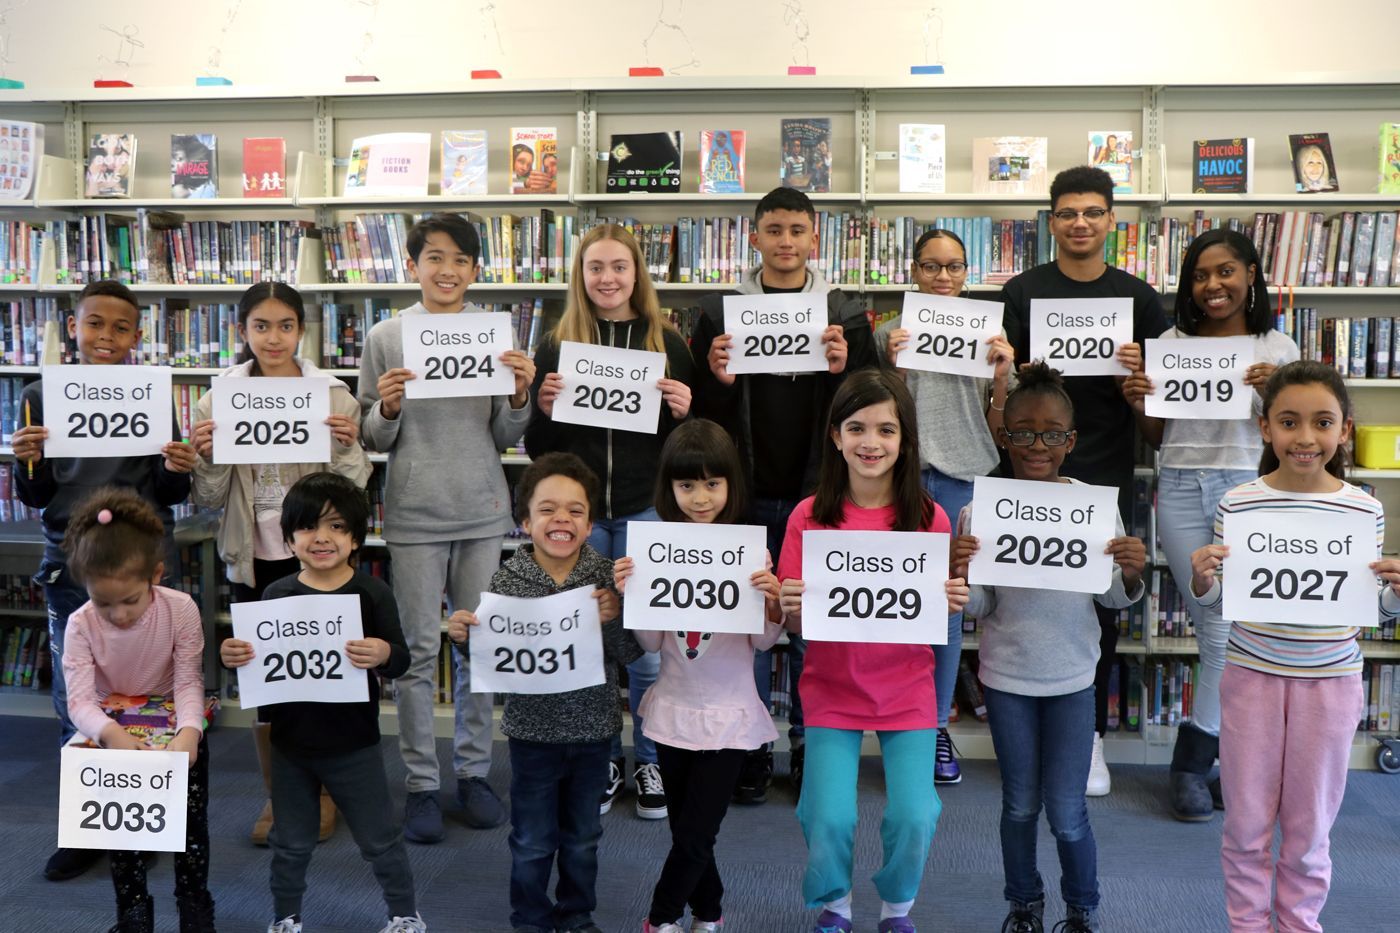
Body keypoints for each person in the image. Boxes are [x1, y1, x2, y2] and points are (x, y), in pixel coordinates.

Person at [1189, 361, 1400, 932]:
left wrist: (1395, 595)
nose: (1305, 438)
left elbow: (1371, 613)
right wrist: (1204, 583)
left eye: (1322, 423)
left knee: (1310, 832)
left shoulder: (1364, 508)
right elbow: (1220, 604)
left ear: (1344, 431)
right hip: (1251, 681)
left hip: (1330, 687)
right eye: (1289, 422)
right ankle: (1247, 926)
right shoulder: (1239, 503)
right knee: (1245, 827)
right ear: (1265, 429)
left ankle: (1300, 925)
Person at [690, 185, 877, 804]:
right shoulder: (720, 312)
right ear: (754, 235)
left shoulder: (843, 310)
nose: (786, 241)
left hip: (815, 495)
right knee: (744, 626)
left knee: (807, 628)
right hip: (743, 495)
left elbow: (870, 401)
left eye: (797, 229)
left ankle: (803, 747)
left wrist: (845, 367)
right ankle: (747, 747)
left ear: (814, 237)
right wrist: (716, 379)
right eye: (774, 229)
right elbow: (699, 415)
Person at [358, 212, 536, 843]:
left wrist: (519, 397)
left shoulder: (494, 333)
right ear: (413, 265)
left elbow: (506, 437)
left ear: (475, 270)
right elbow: (369, 435)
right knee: (415, 653)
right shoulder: (387, 336)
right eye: (434, 257)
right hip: (413, 513)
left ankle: (474, 773)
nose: (447, 270)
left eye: (460, 259)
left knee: (478, 651)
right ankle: (422, 786)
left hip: (484, 510)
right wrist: (386, 407)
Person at [952, 363, 1146, 933]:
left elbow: (1113, 599)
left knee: (1067, 812)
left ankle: (1081, 910)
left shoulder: (1095, 507)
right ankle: (1024, 905)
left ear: (1071, 441)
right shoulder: (978, 511)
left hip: (1071, 680)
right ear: (1003, 436)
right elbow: (979, 607)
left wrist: (1132, 574)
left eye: (1053, 434)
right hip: (1007, 680)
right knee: (1018, 805)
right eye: (1024, 433)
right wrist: (958, 575)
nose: (1038, 445)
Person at [12, 279, 196, 882]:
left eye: (120, 328)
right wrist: (25, 461)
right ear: (73, 328)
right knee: (77, 699)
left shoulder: (150, 393)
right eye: (94, 324)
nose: (106, 337)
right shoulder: (40, 395)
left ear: (137, 337)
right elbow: (37, 494)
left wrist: (178, 470)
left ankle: (149, 815)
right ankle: (83, 825)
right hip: (71, 561)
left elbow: (168, 490)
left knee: (153, 694)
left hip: (141, 559)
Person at [776, 368, 969, 933]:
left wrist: (952, 600)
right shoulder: (807, 516)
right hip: (832, 687)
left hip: (906, 688)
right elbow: (789, 616)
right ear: (835, 436)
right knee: (827, 815)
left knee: (916, 813)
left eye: (886, 430)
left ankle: (896, 910)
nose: (871, 442)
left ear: (905, 440)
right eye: (856, 427)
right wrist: (785, 600)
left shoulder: (928, 518)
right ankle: (835, 906)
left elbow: (935, 608)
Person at [998, 165, 1169, 796]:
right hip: (1027, 469)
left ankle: (1088, 739)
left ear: (1111, 221)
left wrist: (1138, 384)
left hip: (1102, 473)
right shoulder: (1021, 292)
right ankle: (1020, 730)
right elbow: (1002, 391)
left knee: (1100, 610)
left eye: (1092, 212)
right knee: (1018, 602)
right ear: (1051, 220)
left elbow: (1159, 418)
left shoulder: (1141, 299)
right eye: (1067, 212)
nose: (1079, 223)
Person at [1118, 229, 1299, 821]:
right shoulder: (1173, 341)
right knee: (1213, 620)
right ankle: (1225, 760)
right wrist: (1139, 400)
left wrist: (1273, 394)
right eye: (1199, 275)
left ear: (1250, 274)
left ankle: (1194, 762)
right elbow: (1158, 437)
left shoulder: (1278, 345)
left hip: (1249, 489)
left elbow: (1296, 438)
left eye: (1224, 272)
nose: (1212, 286)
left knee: (1227, 629)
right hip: (1179, 487)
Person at [191, 282, 373, 845]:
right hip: (256, 560)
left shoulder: (333, 394)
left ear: (302, 330)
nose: (274, 337)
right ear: (241, 331)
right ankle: (280, 796)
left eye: (286, 325)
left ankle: (324, 793)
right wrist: (207, 456)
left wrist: (345, 446)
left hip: (321, 562)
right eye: (261, 326)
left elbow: (355, 490)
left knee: (326, 676)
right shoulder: (217, 399)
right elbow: (209, 498)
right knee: (270, 682)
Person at [525, 222, 695, 820]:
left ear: (636, 274)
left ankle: (649, 757)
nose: (607, 279)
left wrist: (683, 411)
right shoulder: (557, 344)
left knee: (647, 649)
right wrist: (541, 410)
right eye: (596, 267)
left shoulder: (667, 342)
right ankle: (599, 759)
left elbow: (689, 450)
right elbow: (537, 451)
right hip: (583, 513)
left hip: (648, 509)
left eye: (618, 267)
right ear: (581, 275)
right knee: (588, 642)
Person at [220, 472, 425, 933]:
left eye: (336, 527)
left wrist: (384, 653)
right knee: (290, 842)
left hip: (356, 744)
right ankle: (286, 918)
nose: (322, 538)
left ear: (356, 538)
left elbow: (402, 660)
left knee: (380, 840)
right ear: (289, 539)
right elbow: (258, 669)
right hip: (291, 745)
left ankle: (404, 914)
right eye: (308, 527)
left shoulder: (372, 592)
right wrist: (234, 657)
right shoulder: (276, 594)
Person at [446, 452, 638, 933]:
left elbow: (630, 655)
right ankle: (529, 918)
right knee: (531, 839)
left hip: (594, 734)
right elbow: (494, 664)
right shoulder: (506, 581)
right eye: (548, 509)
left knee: (584, 838)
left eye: (575, 511)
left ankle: (576, 915)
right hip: (532, 736)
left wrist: (613, 619)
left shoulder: (606, 577)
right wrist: (466, 643)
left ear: (591, 523)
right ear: (526, 521)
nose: (562, 520)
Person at [613, 420, 784, 933]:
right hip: (672, 711)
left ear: (731, 486)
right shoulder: (655, 548)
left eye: (712, 484)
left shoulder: (749, 550)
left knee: (697, 832)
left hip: (730, 716)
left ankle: (660, 918)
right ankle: (708, 913)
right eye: (686, 485)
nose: (700, 497)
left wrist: (771, 599)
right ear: (668, 488)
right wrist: (631, 594)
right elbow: (648, 644)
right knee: (687, 830)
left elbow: (763, 643)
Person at [875, 227, 1015, 785]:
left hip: (965, 479)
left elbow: (1002, 427)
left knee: (949, 607)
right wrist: (896, 369)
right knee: (893, 602)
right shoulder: (890, 332)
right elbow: (877, 412)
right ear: (914, 270)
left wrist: (1003, 377)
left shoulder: (989, 332)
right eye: (931, 267)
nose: (942, 278)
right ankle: (894, 726)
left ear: (966, 272)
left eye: (953, 267)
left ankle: (933, 726)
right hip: (901, 480)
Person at [61, 487, 215, 933]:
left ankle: (194, 907)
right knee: (123, 831)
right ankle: (132, 913)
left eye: (130, 601)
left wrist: (189, 731)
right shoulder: (80, 623)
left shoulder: (179, 609)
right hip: (112, 734)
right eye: (104, 603)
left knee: (189, 829)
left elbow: (189, 678)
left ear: (156, 575)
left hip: (173, 727)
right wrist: (110, 735)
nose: (119, 614)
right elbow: (79, 701)